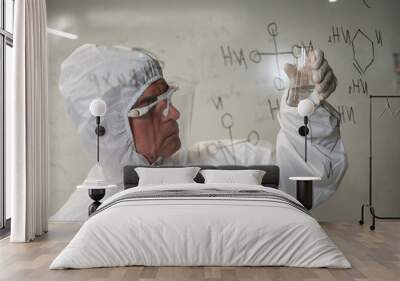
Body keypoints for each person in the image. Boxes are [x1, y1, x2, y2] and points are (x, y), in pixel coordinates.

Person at [51, 44, 346, 221]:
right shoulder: (79, 220)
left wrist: (303, 111)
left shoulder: (215, 161)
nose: (174, 113)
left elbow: (301, 185)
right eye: (153, 105)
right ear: (108, 128)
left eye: (169, 100)